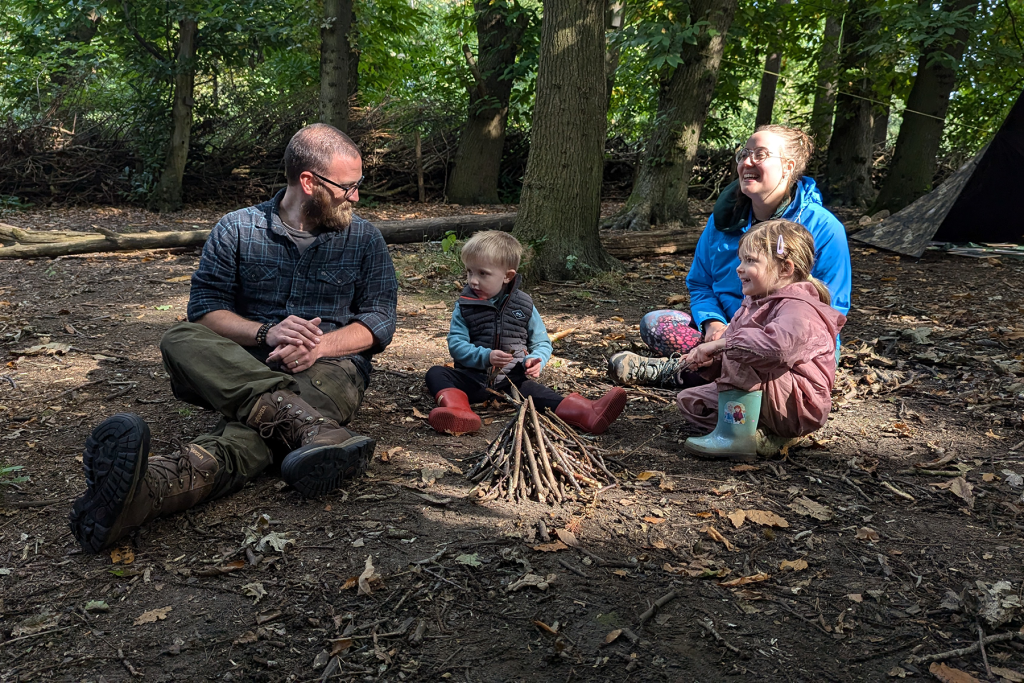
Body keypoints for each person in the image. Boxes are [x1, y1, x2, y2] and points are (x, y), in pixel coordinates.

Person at [69, 123, 398, 553]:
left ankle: (145, 494)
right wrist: (265, 331)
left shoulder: (365, 239)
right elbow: (204, 311)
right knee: (178, 338)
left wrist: (321, 345)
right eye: (348, 186)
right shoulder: (237, 229)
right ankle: (312, 428)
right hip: (238, 365)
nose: (356, 196)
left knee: (247, 440)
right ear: (309, 182)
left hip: (328, 370)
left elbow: (379, 321)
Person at [608, 124, 852, 387]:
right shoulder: (722, 220)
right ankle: (715, 372)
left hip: (786, 343)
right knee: (655, 323)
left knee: (772, 358)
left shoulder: (824, 229)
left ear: (789, 166)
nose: (747, 161)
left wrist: (743, 339)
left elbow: (830, 310)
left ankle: (679, 371)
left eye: (760, 154)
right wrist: (713, 323)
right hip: (725, 331)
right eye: (744, 153)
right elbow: (700, 283)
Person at [425, 231, 627, 436]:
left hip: (512, 382)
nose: (473, 281)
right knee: (436, 373)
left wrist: (536, 359)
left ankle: (588, 413)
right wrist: (485, 356)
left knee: (539, 393)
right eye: (469, 272)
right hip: (470, 379)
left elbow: (542, 342)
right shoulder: (465, 306)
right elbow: (456, 344)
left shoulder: (523, 305)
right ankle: (458, 411)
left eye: (482, 273)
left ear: (507, 276)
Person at [676, 219, 846, 462]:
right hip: (769, 394)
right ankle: (764, 436)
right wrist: (711, 362)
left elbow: (776, 349)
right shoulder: (753, 304)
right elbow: (733, 356)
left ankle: (735, 438)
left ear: (786, 269)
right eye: (741, 259)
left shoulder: (799, 308)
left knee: (743, 348)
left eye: (750, 261)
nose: (739, 267)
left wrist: (723, 344)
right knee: (691, 402)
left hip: (799, 405)